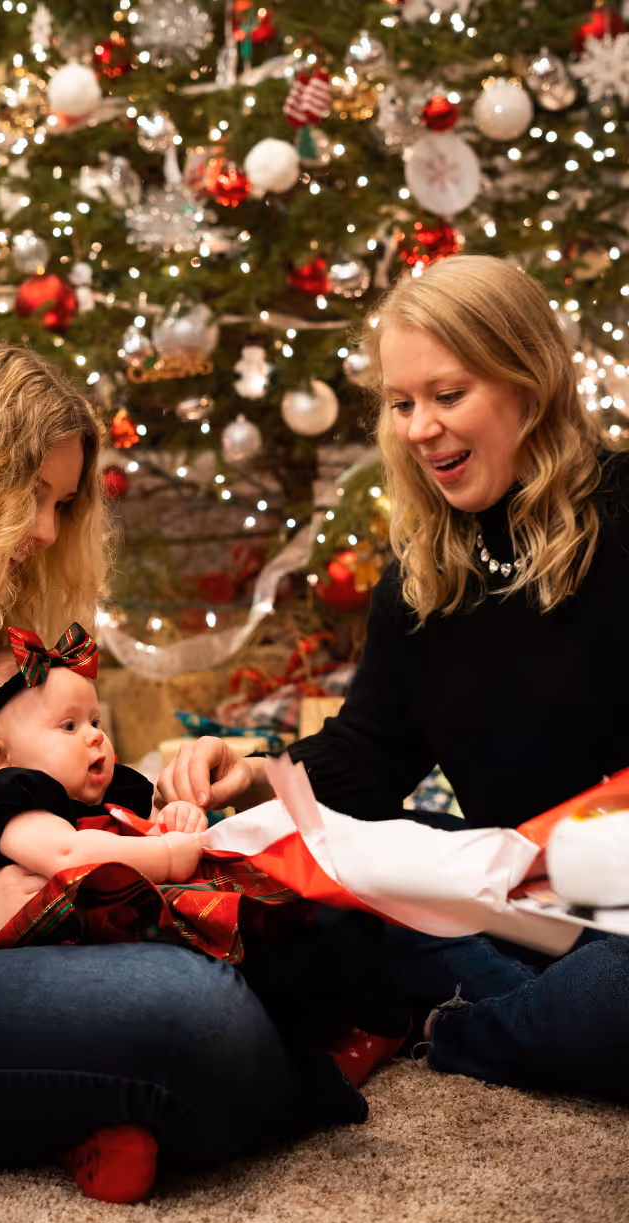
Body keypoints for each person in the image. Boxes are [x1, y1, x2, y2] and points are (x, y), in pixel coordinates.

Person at [0, 341, 374, 1208]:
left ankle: (115, 1102)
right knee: (200, 1013)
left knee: (288, 904)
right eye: (30, 496)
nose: (48, 532)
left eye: (61, 504)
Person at [157, 255, 629, 1106]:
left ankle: (456, 1024)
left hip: (614, 904)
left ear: (530, 384)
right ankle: (492, 998)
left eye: (447, 395)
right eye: (402, 403)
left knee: (611, 996)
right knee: (308, 892)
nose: (419, 429)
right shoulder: (423, 572)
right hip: (504, 891)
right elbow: (370, 757)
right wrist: (251, 774)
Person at [0, 620, 208, 938]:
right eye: (69, 726)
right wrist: (167, 856)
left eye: (95, 721)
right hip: (45, 948)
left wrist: (173, 817)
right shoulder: (13, 803)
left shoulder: (114, 790)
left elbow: (146, 831)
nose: (95, 736)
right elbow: (68, 854)